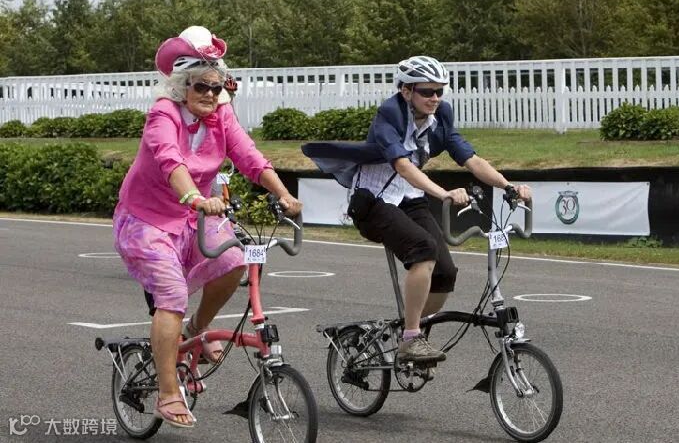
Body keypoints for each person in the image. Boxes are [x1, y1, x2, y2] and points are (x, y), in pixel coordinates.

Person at [113, 26, 301, 429]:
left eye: (218, 87)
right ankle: (167, 394)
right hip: (148, 220)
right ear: (182, 86)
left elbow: (249, 156)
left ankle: (197, 330)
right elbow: (170, 161)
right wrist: (194, 197)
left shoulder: (221, 115)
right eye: (202, 86)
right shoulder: (163, 114)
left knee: (235, 262)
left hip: (193, 216)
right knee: (171, 295)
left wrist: (284, 194)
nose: (211, 95)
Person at [303, 55, 531, 364]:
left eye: (439, 91)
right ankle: (411, 338)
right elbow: (403, 166)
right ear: (406, 90)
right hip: (373, 201)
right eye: (427, 91)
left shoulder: (441, 116)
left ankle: (410, 328)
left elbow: (471, 159)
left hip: (409, 198)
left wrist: (508, 186)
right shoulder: (390, 114)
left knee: (445, 272)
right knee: (424, 250)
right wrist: (444, 193)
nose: (435, 98)